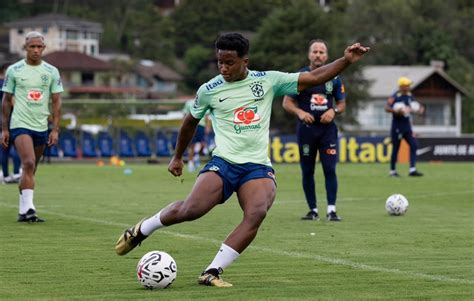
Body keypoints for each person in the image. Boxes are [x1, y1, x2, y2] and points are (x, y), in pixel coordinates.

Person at [115, 33, 369, 287]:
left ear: (244, 60)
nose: (223, 68)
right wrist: (177, 156)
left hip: (257, 167)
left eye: (229, 62)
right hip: (224, 162)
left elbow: (314, 77)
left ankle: (212, 271)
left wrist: (346, 60)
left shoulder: (268, 81)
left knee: (256, 212)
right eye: (219, 62)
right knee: (190, 210)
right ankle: (141, 230)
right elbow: (189, 122)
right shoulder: (209, 90)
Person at [1, 31, 63, 222]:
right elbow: (5, 100)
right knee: (27, 163)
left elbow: (56, 101)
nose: (36, 50)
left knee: (31, 169)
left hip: (41, 126)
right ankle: (30, 209)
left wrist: (55, 128)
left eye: (39, 47)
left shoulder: (52, 72)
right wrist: (4, 128)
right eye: (32, 46)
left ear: (44, 48)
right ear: (25, 48)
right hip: (19, 124)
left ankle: (23, 210)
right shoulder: (14, 70)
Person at [282, 39, 345, 222]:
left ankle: (332, 210)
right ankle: (313, 210)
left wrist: (334, 111)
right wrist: (300, 112)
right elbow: (287, 102)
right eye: (315, 51)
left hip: (327, 131)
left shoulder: (335, 77)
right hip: (306, 131)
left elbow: (342, 103)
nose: (318, 55)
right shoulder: (300, 76)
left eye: (322, 52)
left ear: (326, 56)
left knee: (329, 169)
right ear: (309, 54)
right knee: (307, 170)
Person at [384, 76, 423, 177]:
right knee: (396, 148)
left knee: (414, 145)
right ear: (401, 86)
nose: (409, 87)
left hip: (407, 126)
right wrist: (396, 111)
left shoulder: (410, 96)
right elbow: (386, 108)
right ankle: (392, 171)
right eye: (407, 85)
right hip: (397, 126)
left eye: (409, 85)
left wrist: (419, 109)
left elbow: (415, 107)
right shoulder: (395, 96)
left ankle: (412, 170)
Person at [1, 63, 22, 184]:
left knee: (4, 148)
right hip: (12, 119)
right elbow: (12, 102)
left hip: (2, 120)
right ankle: (16, 173)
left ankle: (5, 175)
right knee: (17, 147)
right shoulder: (9, 85)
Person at [182, 99, 212, 172]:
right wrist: (184, 126)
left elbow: (207, 116)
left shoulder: (204, 101)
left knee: (203, 144)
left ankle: (196, 156)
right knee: (192, 145)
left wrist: (208, 126)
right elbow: (185, 115)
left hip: (201, 126)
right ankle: (191, 163)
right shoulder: (188, 103)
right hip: (192, 126)